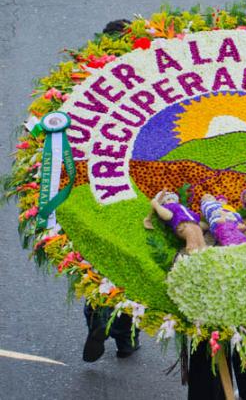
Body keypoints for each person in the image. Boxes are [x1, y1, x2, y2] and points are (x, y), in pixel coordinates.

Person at [82, 18, 141, 362]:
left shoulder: (86, 82)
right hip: (132, 186)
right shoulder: (144, 81)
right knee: (133, 261)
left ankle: (98, 315)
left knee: (99, 260)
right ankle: (125, 334)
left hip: (96, 185)